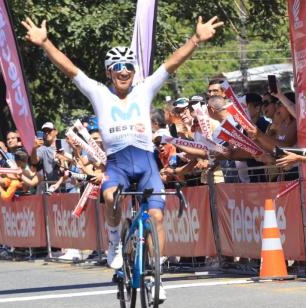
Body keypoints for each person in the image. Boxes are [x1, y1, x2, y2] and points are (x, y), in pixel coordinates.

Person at [22, 15, 223, 301]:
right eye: (117, 67)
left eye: (128, 66)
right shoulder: (99, 93)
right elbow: (71, 70)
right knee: (110, 196)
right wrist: (45, 43)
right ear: (109, 72)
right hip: (117, 163)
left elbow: (172, 62)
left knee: (156, 216)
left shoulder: (145, 89)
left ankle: (157, 273)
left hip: (145, 163)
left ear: (134, 70)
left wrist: (196, 39)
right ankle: (115, 242)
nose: (123, 71)